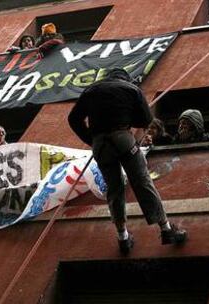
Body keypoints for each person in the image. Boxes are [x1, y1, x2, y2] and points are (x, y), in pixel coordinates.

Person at [68, 68, 187, 255]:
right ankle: (166, 229)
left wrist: (92, 139)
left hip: (101, 146)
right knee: (142, 182)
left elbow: (73, 119)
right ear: (126, 78)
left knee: (114, 189)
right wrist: (127, 117)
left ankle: (123, 237)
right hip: (123, 139)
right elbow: (146, 120)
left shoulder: (90, 91)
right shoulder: (131, 89)